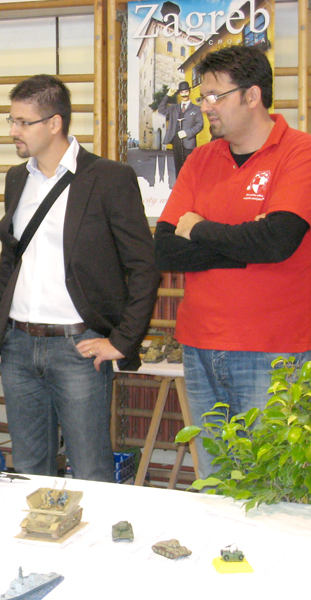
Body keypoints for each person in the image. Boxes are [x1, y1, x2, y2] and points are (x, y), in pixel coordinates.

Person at [154, 45, 311, 479]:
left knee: (272, 489)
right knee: (215, 484)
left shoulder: (299, 153)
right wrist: (244, 244)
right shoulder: (201, 158)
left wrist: (199, 228)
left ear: (252, 96)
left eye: (215, 96)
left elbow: (276, 241)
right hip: (199, 345)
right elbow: (164, 249)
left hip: (274, 352)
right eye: (203, 97)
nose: (206, 107)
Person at [0, 74, 159, 480]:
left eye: (23, 122)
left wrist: (122, 340)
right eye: (12, 120)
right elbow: (10, 256)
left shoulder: (109, 177)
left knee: (90, 471)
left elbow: (143, 266)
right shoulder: (17, 178)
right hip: (18, 346)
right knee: (28, 469)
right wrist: (3, 324)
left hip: (77, 348)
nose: (14, 131)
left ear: (55, 123)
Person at [157, 80, 204, 177]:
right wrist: (168, 95)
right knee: (178, 169)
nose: (184, 94)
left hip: (189, 143)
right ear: (179, 93)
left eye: (186, 91)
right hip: (176, 143)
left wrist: (187, 133)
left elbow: (200, 125)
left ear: (189, 92)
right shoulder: (174, 108)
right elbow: (161, 110)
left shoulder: (196, 109)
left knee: (190, 169)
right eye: (182, 92)